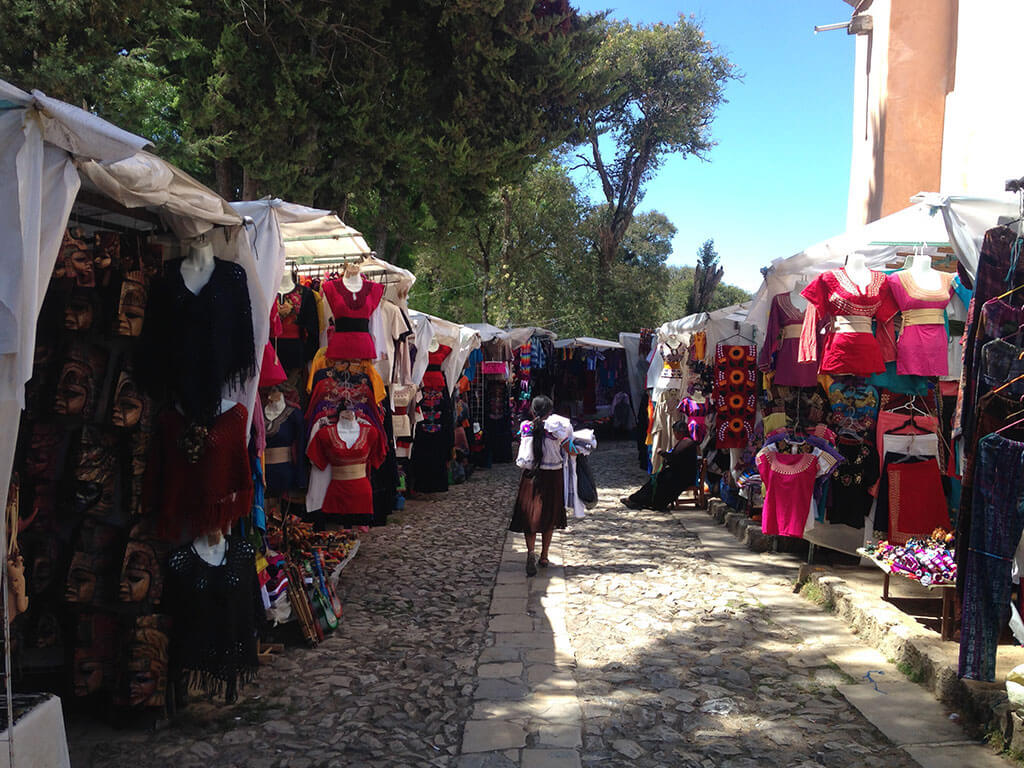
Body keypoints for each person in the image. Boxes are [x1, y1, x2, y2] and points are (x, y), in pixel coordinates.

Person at [510, 395, 574, 575]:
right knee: (549, 515)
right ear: (550, 412)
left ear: (532, 411)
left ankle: (530, 552)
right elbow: (570, 449)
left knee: (530, 515)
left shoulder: (525, 427)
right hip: (552, 475)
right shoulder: (557, 429)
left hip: (531, 476)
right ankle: (544, 555)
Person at [621, 420, 698, 511]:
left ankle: (640, 500)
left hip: (683, 477)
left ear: (679, 432)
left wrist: (662, 453)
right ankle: (637, 499)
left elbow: (673, 457)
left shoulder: (686, 443)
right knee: (656, 479)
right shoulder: (685, 442)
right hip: (680, 474)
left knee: (658, 481)